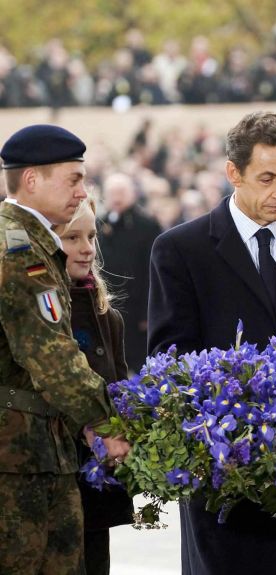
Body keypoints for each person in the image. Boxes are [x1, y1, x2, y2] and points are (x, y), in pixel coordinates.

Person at [148, 111, 276, 575]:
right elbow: (168, 357)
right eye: (267, 178)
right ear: (233, 173)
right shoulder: (180, 249)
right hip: (224, 477)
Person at [0, 124, 129, 574]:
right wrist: (106, 421)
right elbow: (51, 354)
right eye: (73, 179)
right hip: (18, 458)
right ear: (32, 179)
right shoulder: (17, 249)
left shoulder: (31, 241)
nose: (82, 190)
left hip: (38, 447)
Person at [53, 196, 134, 575]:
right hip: (54, 478)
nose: (86, 248)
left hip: (95, 482)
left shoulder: (108, 316)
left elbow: (119, 384)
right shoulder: (42, 312)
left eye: (91, 236)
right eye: (73, 238)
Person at [98, 172, 162, 373]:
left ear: (133, 194)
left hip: (136, 309)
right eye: (112, 192)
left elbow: (153, 271)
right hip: (107, 304)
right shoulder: (98, 224)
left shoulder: (147, 226)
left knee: (136, 363)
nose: (116, 197)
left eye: (121, 192)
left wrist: (147, 312)